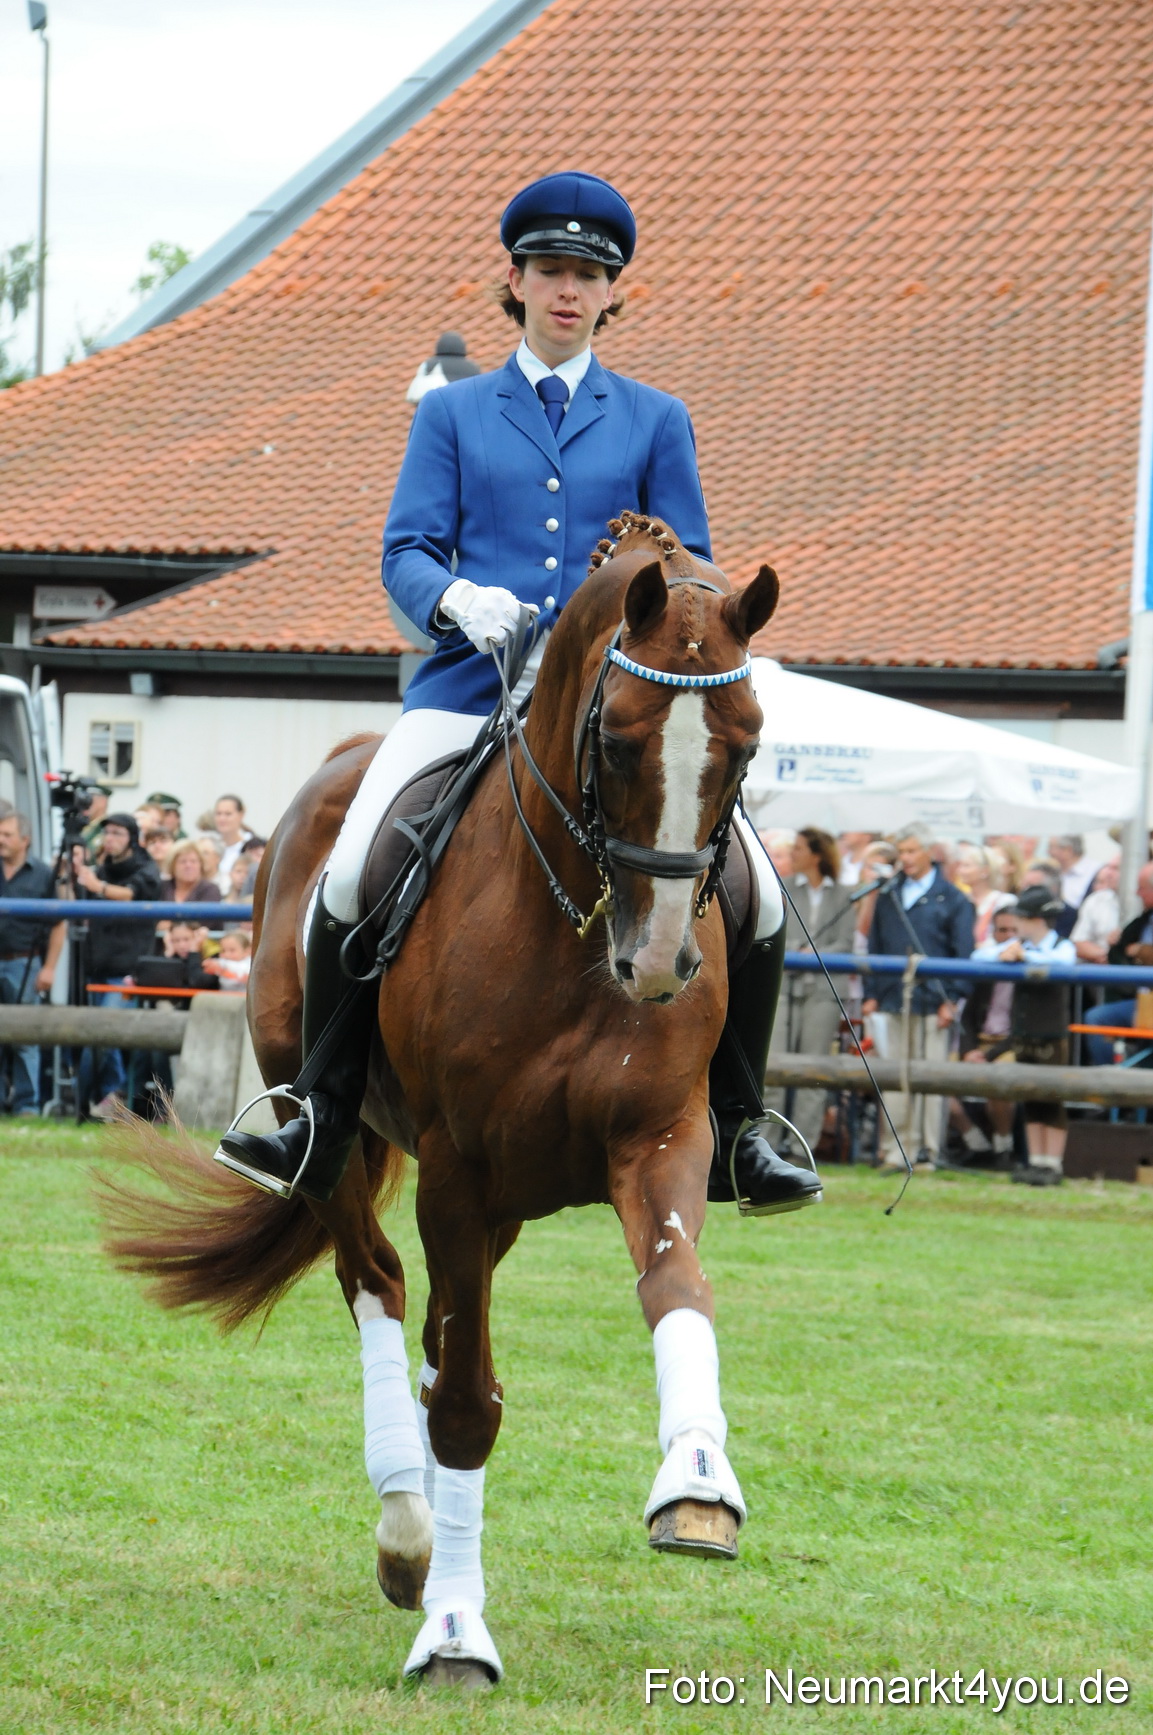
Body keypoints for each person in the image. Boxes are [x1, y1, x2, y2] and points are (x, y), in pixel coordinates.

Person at [222, 170, 820, 1219]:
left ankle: (742, 1126)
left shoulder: (654, 418)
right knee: (353, 866)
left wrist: (655, 617)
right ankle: (316, 1104)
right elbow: (405, 549)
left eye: (588, 275)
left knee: (760, 894)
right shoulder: (454, 412)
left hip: (618, 707)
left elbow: (693, 569)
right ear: (516, 280)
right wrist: (457, 598)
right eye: (549, 270)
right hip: (468, 688)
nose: (567, 289)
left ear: (611, 292)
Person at [861, 822, 975, 1167]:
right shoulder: (889, 894)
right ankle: (896, 1148)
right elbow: (875, 945)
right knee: (894, 1076)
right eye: (902, 852)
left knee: (930, 1078)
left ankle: (928, 1150)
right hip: (892, 996)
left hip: (933, 1000)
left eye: (911, 851)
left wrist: (951, 998)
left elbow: (962, 953)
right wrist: (872, 993)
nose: (906, 858)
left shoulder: (954, 899)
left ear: (929, 852)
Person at [972, 885, 1076, 1185]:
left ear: (1036, 920)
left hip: (1051, 1036)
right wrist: (1006, 954)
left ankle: (1052, 1164)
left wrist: (1025, 957)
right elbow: (978, 955)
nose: (1015, 923)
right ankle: (1036, 1161)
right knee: (1030, 1096)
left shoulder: (1062, 946)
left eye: (1020, 918)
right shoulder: (1017, 945)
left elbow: (1065, 962)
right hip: (1024, 1034)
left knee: (1052, 1097)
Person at [767, 828, 856, 1159]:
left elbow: (845, 943)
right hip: (784, 987)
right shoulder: (781, 887)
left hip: (823, 990)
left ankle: (801, 1147)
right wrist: (796, 950)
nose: (793, 854)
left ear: (817, 855)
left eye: (800, 848)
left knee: (813, 1071)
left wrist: (812, 953)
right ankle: (765, 1145)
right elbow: (773, 932)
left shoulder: (844, 895)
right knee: (773, 1067)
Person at [71, 813, 162, 1120]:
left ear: (132, 838)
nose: (109, 838)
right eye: (107, 832)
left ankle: (106, 1096)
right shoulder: (101, 868)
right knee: (93, 1037)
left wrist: (97, 885)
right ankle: (102, 1098)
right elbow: (77, 897)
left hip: (128, 970)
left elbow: (131, 895)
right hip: (97, 965)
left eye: (117, 833)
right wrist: (73, 874)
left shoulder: (146, 867)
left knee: (104, 1035)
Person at [0, 812, 65, 1115]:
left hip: (23, 962)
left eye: (7, 835)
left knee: (25, 1036)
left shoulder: (42, 874)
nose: (1, 840)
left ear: (25, 840)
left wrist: (49, 967)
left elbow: (58, 923)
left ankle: (27, 1105)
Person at [952, 902, 1020, 1164]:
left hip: (1009, 1046)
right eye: (1002, 930)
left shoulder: (1031, 968)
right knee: (933, 1079)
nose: (1009, 936)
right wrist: (968, 1050)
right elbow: (968, 1016)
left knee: (999, 1081)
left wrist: (988, 1055)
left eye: (1014, 930)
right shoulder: (985, 965)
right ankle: (974, 1140)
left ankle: (1003, 1146)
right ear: (993, 933)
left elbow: (1024, 1028)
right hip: (978, 1043)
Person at [1080, 860, 1153, 1065]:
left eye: (1142, 888)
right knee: (1097, 1018)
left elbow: (1137, 951)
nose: (1137, 893)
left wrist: (1141, 951)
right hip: (1141, 998)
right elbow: (1123, 951)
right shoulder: (1144, 919)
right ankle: (1112, 1077)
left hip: (1146, 1002)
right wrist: (1120, 944)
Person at [950, 842, 1015, 946]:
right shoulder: (959, 899)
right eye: (960, 866)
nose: (960, 871)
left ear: (985, 870)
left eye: (966, 866)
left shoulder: (1004, 902)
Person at [1070, 860, 1121, 963]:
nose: (1108, 873)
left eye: (1116, 869)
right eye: (1109, 867)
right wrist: (1113, 957)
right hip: (1101, 968)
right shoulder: (1096, 900)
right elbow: (1078, 943)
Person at [1049, 834, 1102, 911]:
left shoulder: (1097, 871)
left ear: (1068, 850)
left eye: (1051, 847)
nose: (1048, 852)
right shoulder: (1053, 871)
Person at [212, 795, 253, 892]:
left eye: (228, 814)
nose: (222, 818)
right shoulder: (211, 845)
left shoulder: (252, 846)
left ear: (241, 815)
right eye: (218, 814)